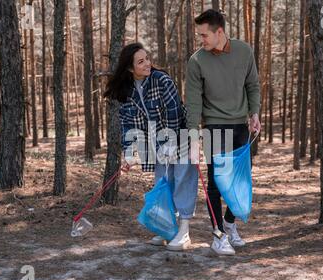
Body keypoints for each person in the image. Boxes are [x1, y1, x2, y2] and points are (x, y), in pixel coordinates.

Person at [104, 43, 198, 251]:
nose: (147, 63)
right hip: (156, 143)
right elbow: (127, 124)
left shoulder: (161, 80)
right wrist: (129, 154)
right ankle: (168, 228)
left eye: (147, 58)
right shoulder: (127, 91)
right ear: (130, 68)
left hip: (179, 136)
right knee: (163, 183)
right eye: (141, 61)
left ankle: (184, 231)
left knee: (183, 180)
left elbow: (174, 111)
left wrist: (171, 143)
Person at [185, 9, 261, 255]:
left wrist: (255, 114)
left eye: (204, 35)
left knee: (240, 180)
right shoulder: (196, 61)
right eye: (199, 35)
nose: (201, 40)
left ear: (220, 32)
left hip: (240, 125)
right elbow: (194, 104)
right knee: (217, 183)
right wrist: (194, 139)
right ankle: (218, 235)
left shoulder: (244, 51)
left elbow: (252, 85)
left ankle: (229, 224)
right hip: (214, 127)